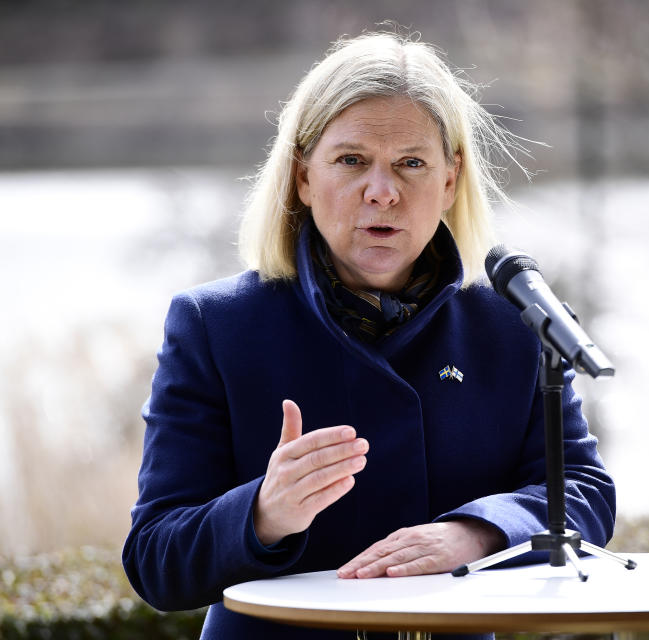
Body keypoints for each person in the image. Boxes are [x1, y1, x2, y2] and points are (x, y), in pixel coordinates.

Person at [122, 31, 616, 640]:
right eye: (352, 161)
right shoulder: (216, 325)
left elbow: (585, 492)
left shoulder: (512, 326)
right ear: (303, 177)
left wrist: (477, 534)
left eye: (411, 163)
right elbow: (153, 559)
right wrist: (263, 514)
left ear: (450, 180)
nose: (382, 191)